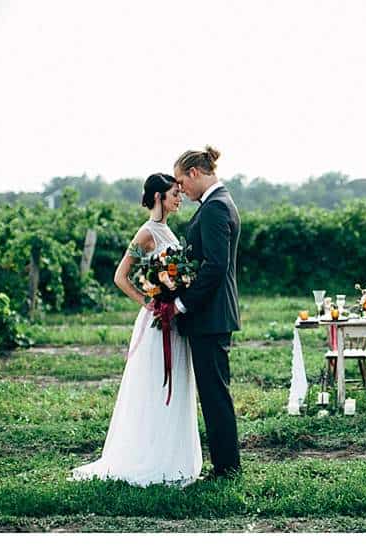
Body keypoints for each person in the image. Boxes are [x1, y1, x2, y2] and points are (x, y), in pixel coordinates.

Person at [70, 174, 202, 487]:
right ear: (158, 196)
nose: (179, 198)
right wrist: (148, 302)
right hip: (157, 322)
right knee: (154, 386)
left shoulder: (168, 230)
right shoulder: (146, 232)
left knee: (176, 384)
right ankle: (148, 456)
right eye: (174, 194)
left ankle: (172, 456)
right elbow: (120, 276)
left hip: (174, 321)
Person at [172, 146, 242, 478]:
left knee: (215, 394)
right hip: (212, 316)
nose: (180, 190)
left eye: (181, 181)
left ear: (195, 173)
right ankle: (225, 463)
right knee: (214, 392)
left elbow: (215, 267)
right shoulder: (217, 203)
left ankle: (227, 467)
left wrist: (182, 303)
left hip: (210, 316)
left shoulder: (214, 208)